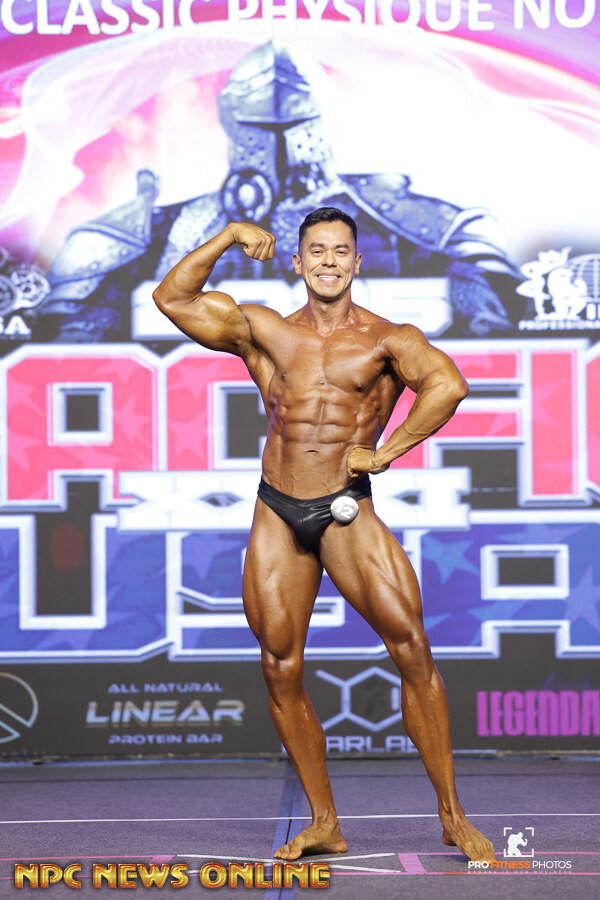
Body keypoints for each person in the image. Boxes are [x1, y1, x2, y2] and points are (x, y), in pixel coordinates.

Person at [153, 207, 495, 864]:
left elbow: (448, 385)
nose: (329, 262)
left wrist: (387, 451)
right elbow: (173, 298)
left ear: (357, 263)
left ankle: (453, 816)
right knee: (280, 664)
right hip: (278, 508)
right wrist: (229, 236)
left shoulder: (388, 338)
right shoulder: (266, 331)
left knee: (411, 647)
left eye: (340, 251)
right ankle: (324, 823)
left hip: (346, 506)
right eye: (317, 251)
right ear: (298, 261)